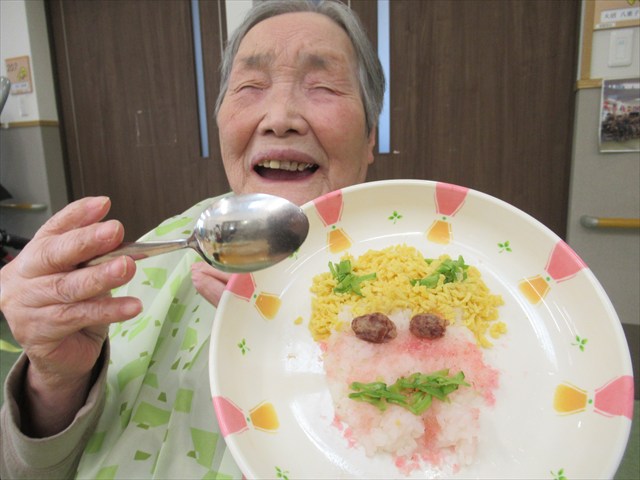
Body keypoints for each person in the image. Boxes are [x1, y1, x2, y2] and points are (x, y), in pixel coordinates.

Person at [0, 0, 385, 478]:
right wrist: (57, 381)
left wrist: (306, 353)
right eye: (250, 86)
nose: (280, 117)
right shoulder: (161, 250)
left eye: (322, 87)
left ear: (370, 134)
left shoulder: (431, 279)